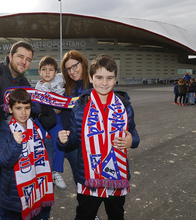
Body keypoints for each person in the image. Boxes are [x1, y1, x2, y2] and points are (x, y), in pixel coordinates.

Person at [0, 41, 56, 220]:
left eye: (28, 59)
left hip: (12, 145)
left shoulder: (24, 82)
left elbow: (31, 111)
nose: (24, 62)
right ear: (11, 56)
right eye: (21, 57)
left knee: (6, 192)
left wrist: (47, 111)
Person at [58, 54, 140, 220]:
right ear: (91, 77)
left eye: (109, 78)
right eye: (99, 77)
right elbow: (74, 141)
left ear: (115, 79)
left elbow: (135, 136)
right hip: (89, 177)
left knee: (116, 215)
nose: (104, 83)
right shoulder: (80, 106)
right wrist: (65, 139)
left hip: (116, 176)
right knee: (84, 215)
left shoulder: (124, 105)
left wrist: (131, 141)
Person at [0, 88, 54, 220]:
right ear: (10, 109)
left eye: (27, 108)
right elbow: (2, 161)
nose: (23, 112)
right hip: (14, 197)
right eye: (18, 108)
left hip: (35, 192)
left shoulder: (35, 128)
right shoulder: (6, 130)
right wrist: (14, 144)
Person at [60, 50, 93, 183]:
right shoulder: (64, 87)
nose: (72, 71)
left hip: (79, 144)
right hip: (61, 141)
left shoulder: (92, 85)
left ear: (83, 63)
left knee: (82, 182)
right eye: (68, 69)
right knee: (49, 181)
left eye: (75, 66)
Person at [35, 55, 67, 190]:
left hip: (56, 117)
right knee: (36, 142)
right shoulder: (39, 85)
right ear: (39, 72)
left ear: (56, 71)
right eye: (44, 69)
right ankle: (37, 172)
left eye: (51, 69)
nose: (47, 72)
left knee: (61, 141)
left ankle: (56, 172)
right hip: (42, 117)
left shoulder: (60, 78)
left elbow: (71, 74)